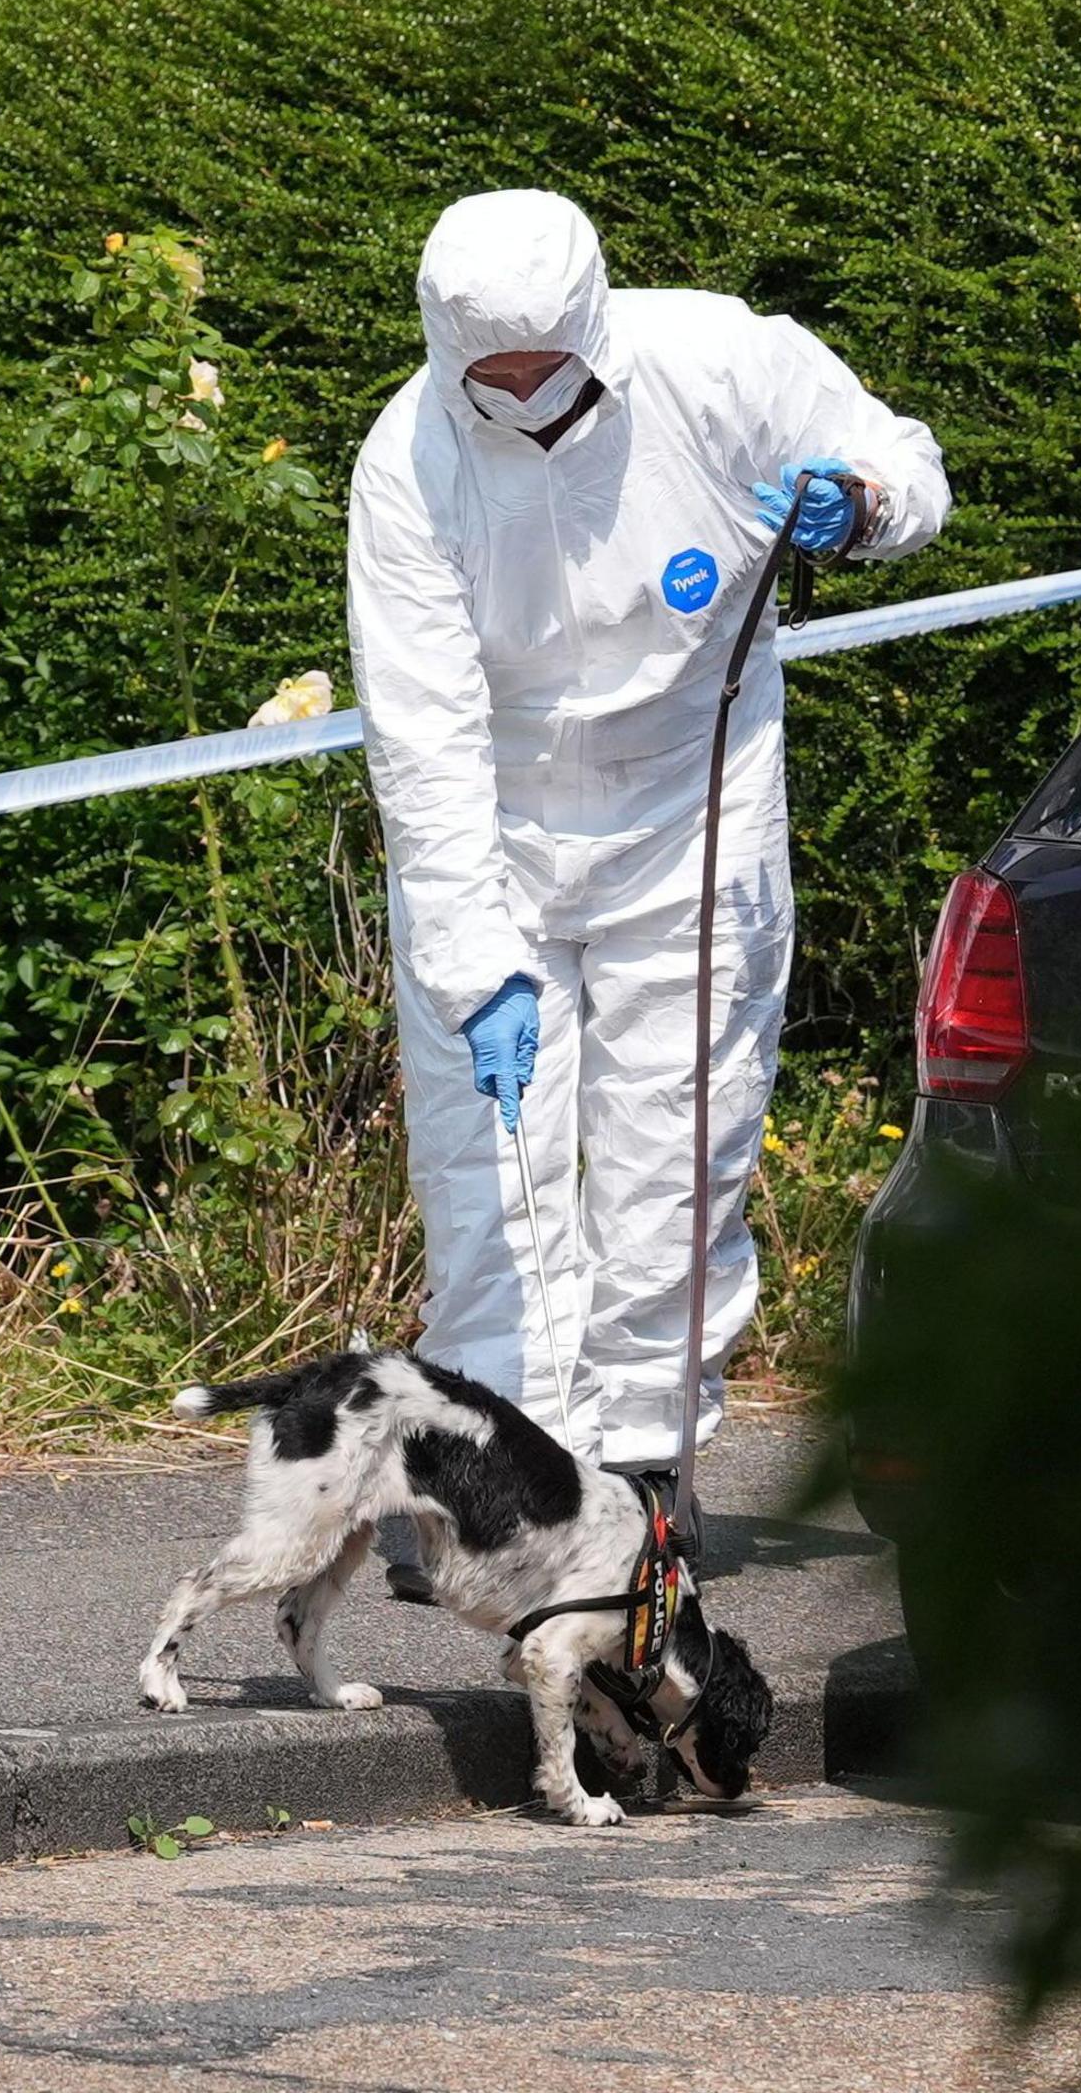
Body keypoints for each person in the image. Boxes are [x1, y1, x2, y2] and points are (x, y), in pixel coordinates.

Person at [347, 188, 946, 1521]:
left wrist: (859, 507)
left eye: (544, 371)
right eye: (489, 379)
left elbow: (905, 462)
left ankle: (642, 1479)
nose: (522, 398)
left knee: (675, 1162)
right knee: (490, 1185)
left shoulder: (721, 362)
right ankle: (499, 1491)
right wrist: (469, 955)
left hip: (691, 813)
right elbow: (423, 735)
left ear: (593, 322)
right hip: (499, 834)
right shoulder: (409, 461)